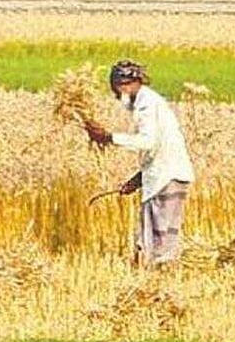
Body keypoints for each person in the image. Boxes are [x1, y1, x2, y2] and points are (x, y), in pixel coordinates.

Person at [84, 60, 195, 267]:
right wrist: (137, 180)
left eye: (118, 90)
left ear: (125, 84)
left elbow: (148, 141)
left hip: (166, 178)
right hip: (166, 175)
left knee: (160, 241)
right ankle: (153, 277)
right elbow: (160, 148)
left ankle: (160, 283)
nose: (118, 96)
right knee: (153, 236)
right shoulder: (151, 102)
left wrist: (109, 138)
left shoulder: (147, 105)